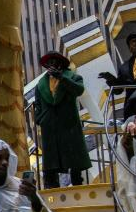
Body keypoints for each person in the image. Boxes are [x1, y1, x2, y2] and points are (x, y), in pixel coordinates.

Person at [33, 51, 92, 188]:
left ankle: (78, 189)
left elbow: (79, 90)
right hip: (49, 128)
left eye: (54, 61)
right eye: (49, 63)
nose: (51, 65)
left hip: (68, 125)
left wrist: (63, 79)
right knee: (51, 164)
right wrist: (40, 118)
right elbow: (38, 105)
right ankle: (51, 191)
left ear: (61, 64)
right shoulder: (40, 84)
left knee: (74, 163)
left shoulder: (73, 77)